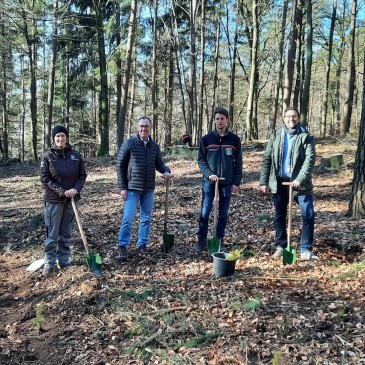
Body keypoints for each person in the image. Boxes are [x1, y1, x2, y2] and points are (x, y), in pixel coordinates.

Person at [259, 107, 318, 260]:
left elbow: (309, 160)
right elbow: (267, 158)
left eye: (294, 117)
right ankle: (282, 245)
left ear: (298, 118)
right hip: (279, 182)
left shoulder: (306, 136)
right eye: (288, 117)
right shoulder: (276, 134)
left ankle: (305, 249)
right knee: (279, 215)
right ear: (283, 118)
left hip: (301, 184)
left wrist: (299, 178)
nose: (291, 119)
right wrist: (263, 181)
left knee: (308, 214)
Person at [116, 116, 173, 262]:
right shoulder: (129, 143)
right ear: (137, 127)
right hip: (132, 188)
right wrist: (123, 187)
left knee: (146, 218)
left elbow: (159, 163)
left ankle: (142, 244)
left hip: (148, 188)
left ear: (150, 128)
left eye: (146, 126)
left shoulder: (154, 146)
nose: (144, 129)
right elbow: (120, 165)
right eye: (141, 126)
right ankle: (122, 246)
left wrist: (166, 171)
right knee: (128, 218)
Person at [40, 125, 87, 276]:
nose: (60, 139)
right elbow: (44, 178)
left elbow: (82, 176)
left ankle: (64, 260)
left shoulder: (76, 155)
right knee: (52, 233)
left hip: (71, 199)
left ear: (67, 138)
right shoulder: (47, 156)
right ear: (54, 138)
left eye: (63, 136)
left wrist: (75, 189)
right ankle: (49, 262)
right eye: (57, 136)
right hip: (54, 200)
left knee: (66, 232)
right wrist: (62, 191)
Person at [195, 107, 243, 254]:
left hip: (226, 183)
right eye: (217, 119)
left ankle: (219, 240)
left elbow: (238, 162)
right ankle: (201, 240)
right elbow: (201, 160)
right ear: (214, 120)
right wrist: (209, 174)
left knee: (223, 214)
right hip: (209, 183)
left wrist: (236, 182)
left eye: (222, 118)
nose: (220, 121)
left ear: (227, 120)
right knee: (205, 212)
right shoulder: (206, 139)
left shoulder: (234, 140)